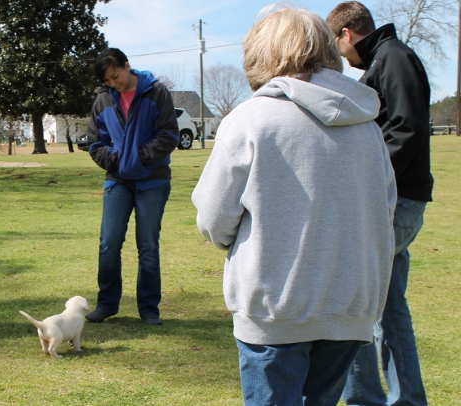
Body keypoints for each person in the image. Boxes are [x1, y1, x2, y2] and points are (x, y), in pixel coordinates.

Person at [191, 5, 396, 405]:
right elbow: (384, 209)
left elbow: (214, 218)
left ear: (260, 52)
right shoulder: (367, 126)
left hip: (274, 306)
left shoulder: (251, 120)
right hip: (349, 304)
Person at [326, 3, 434, 405]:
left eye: (338, 48)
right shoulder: (387, 59)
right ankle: (395, 398)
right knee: (385, 311)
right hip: (395, 200)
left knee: (359, 307)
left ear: (346, 35)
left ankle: (371, 398)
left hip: (394, 202)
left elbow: (406, 126)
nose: (341, 58)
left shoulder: (393, 58)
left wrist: (367, 177)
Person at [84, 48, 178, 326]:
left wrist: (137, 157)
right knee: (109, 243)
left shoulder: (156, 92)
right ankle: (107, 304)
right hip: (118, 180)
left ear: (127, 65)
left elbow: (169, 135)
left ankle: (149, 309)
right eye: (109, 81)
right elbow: (94, 142)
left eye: (116, 76)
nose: (115, 84)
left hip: (153, 179)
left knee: (148, 245)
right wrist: (115, 161)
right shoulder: (102, 100)